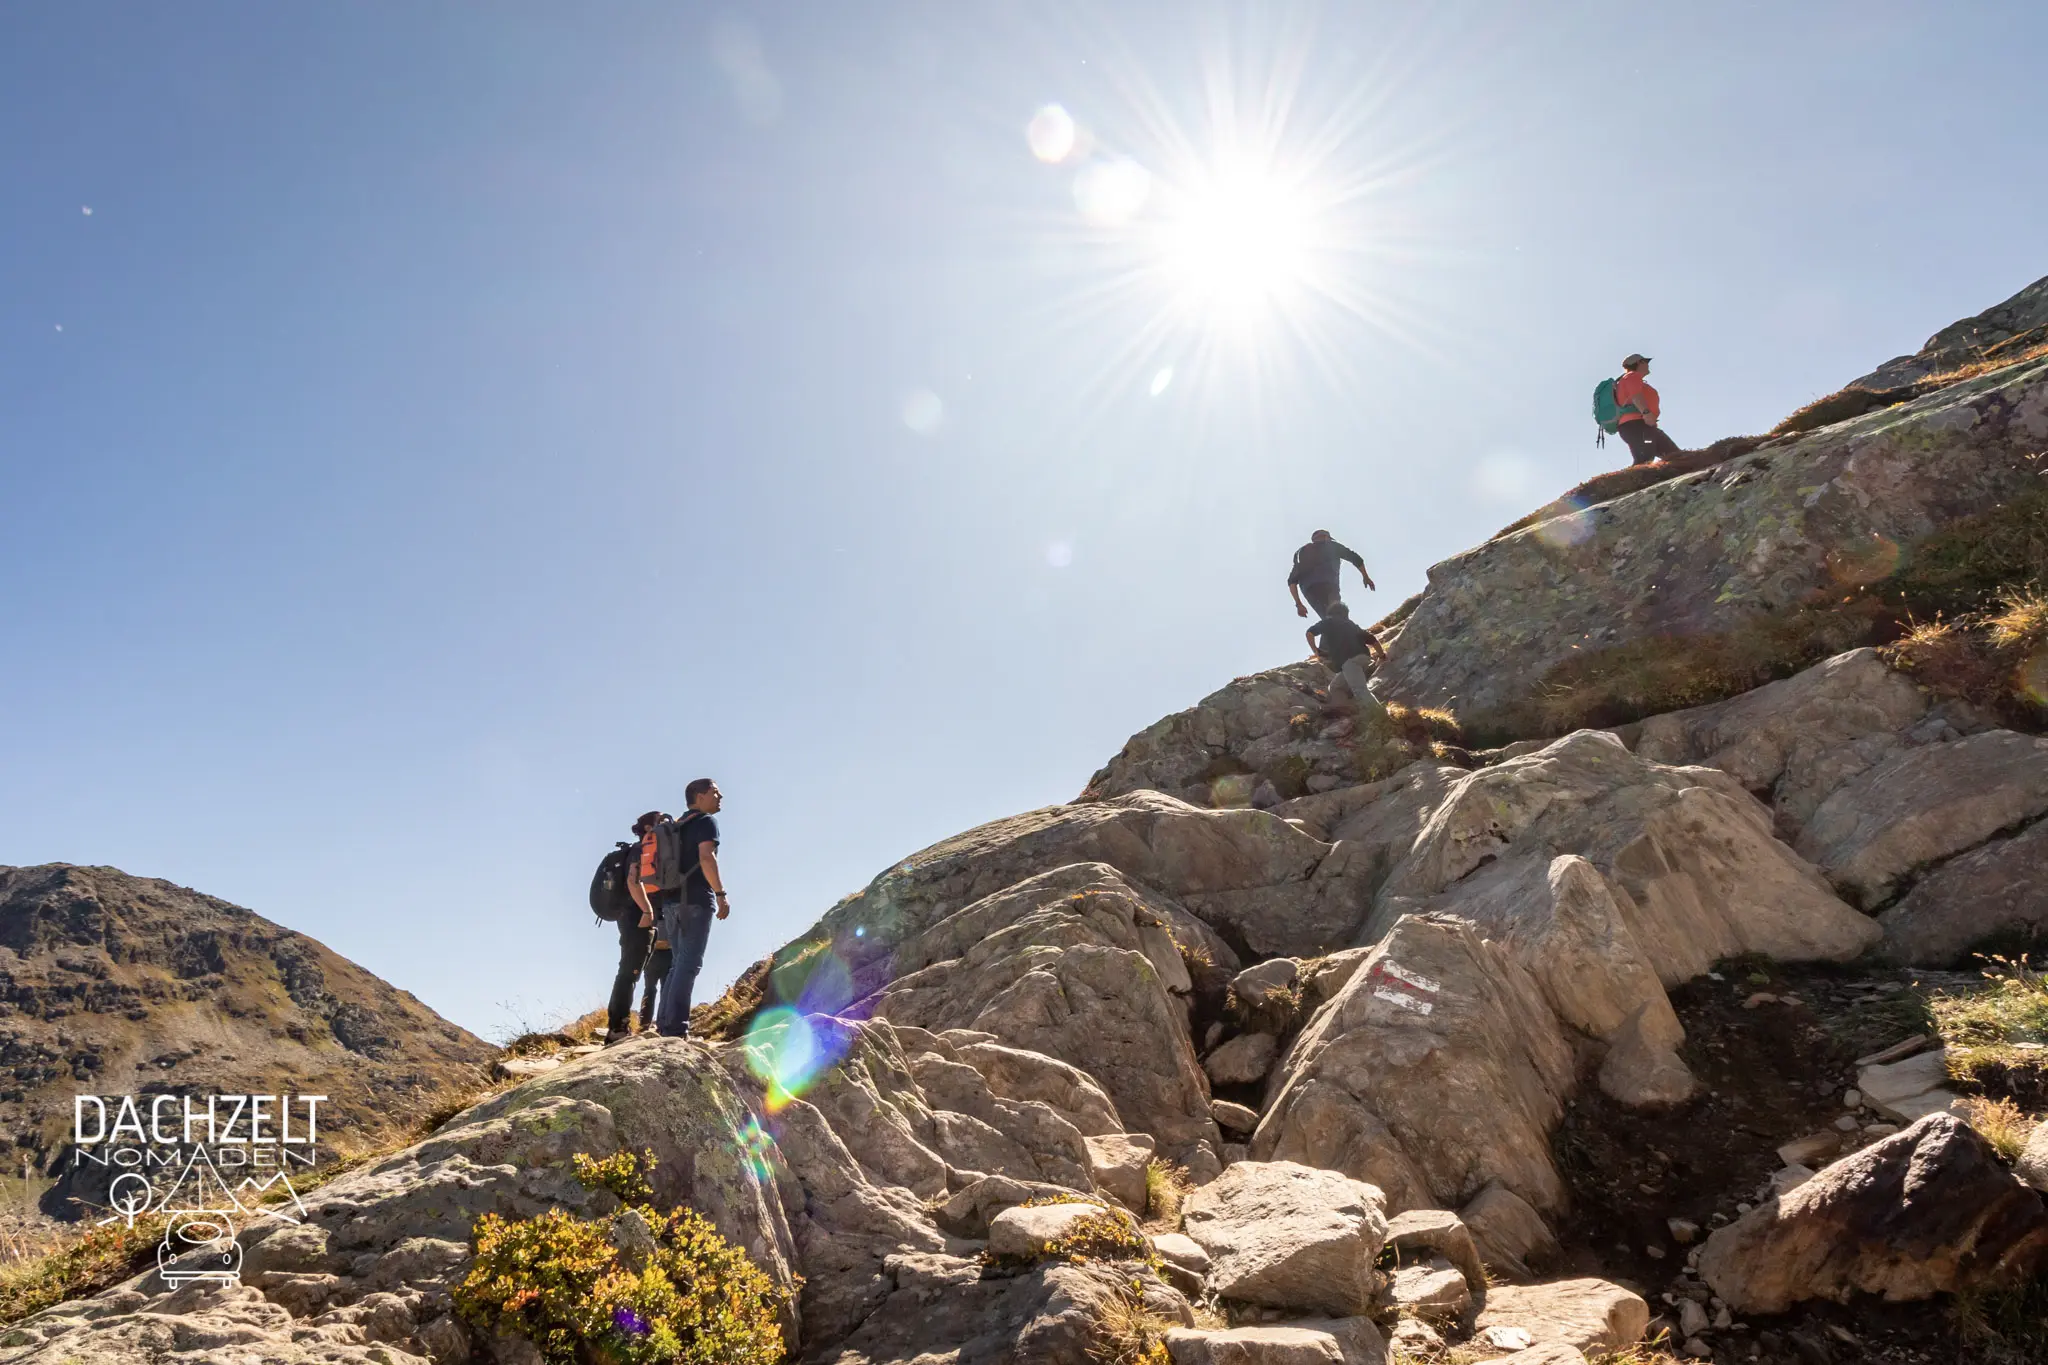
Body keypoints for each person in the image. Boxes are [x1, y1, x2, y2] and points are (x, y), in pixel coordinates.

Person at [655, 778, 729, 1038]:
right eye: (715, 792)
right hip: (695, 899)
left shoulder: (677, 825)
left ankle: (664, 1024)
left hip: (670, 902)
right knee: (688, 965)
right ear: (700, 796)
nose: (720, 796)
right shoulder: (706, 822)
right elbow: (707, 857)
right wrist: (720, 894)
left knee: (677, 964)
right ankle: (676, 1030)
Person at [604, 811, 664, 1046]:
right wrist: (647, 911)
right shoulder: (640, 849)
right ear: (648, 828)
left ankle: (618, 1026)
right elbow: (633, 880)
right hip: (636, 916)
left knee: (631, 970)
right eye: (660, 821)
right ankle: (617, 1029)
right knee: (630, 971)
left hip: (633, 915)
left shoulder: (644, 850)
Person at [1306, 602, 1389, 721]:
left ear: (1330, 613)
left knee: (1360, 690)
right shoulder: (1352, 625)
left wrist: (1316, 651)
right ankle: (1351, 712)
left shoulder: (1327, 622)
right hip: (1364, 659)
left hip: (1349, 661)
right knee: (1335, 687)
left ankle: (1383, 718)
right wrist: (1382, 656)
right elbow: (1373, 640)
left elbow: (1309, 633)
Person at [1288, 530, 1375, 619]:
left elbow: (1291, 582)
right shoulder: (1332, 546)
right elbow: (1356, 558)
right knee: (1338, 614)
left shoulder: (1301, 552)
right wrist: (1366, 577)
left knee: (1328, 618)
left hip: (1310, 590)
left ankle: (1333, 624)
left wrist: (1298, 604)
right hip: (1329, 585)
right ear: (1326, 537)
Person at [1613, 354, 1681, 466]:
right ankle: (1635, 477)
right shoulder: (1632, 376)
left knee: (1674, 455)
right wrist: (1646, 413)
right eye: (1646, 362)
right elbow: (1635, 396)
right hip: (1636, 426)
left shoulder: (1630, 379)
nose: (1648, 365)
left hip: (1644, 427)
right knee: (1644, 457)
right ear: (1640, 363)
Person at [637, 932, 672, 1035]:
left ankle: (657, 1023)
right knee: (653, 989)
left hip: (663, 953)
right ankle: (647, 1023)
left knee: (659, 990)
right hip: (655, 953)